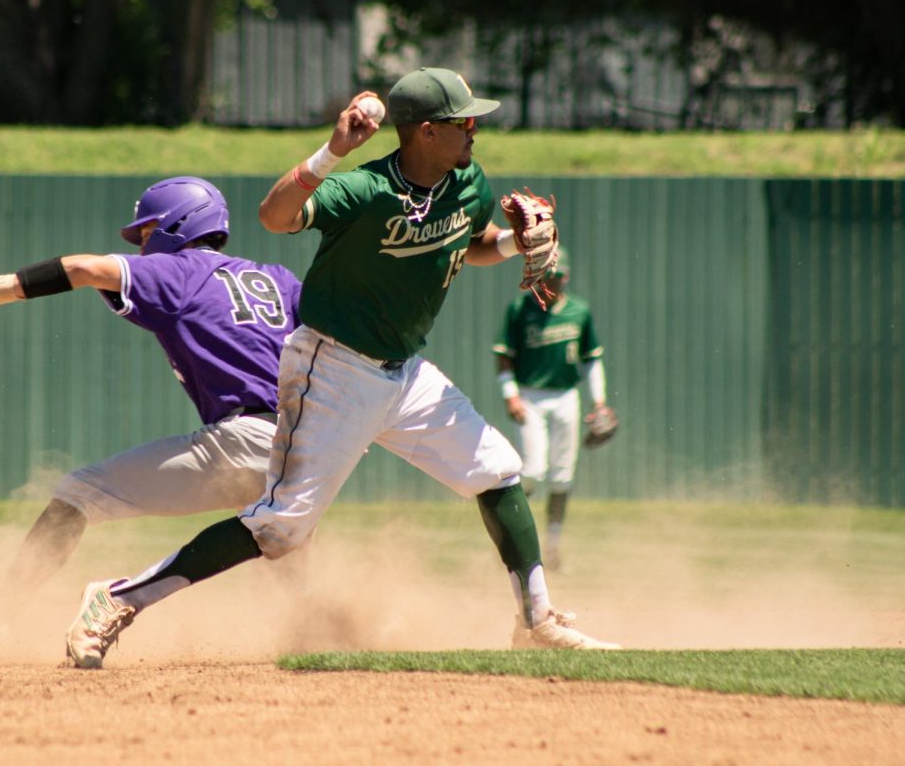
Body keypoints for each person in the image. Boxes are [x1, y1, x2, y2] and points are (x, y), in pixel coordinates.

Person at [64, 67, 619, 668]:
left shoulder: (468, 182)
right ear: (426, 131)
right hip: (333, 368)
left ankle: (536, 620)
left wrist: (511, 241)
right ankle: (118, 598)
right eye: (464, 121)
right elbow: (276, 216)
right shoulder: (364, 189)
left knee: (498, 471)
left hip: (406, 372)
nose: (475, 129)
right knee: (280, 527)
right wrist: (333, 150)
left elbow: (470, 243)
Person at [0, 177, 301, 591]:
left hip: (243, 440)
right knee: (284, 552)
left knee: (79, 493)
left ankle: (4, 610)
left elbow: (84, 268)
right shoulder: (278, 279)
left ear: (180, 224)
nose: (142, 244)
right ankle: (333, 628)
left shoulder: (181, 270)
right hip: (308, 449)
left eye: (149, 231)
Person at [494, 251, 611, 571]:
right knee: (533, 469)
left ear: (567, 277)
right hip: (531, 396)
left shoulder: (578, 311)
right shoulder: (521, 308)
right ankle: (515, 536)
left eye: (558, 277)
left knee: (562, 476)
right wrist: (511, 395)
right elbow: (505, 355)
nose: (553, 282)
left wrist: (599, 401)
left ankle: (553, 545)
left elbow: (591, 358)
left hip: (566, 396)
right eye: (548, 277)